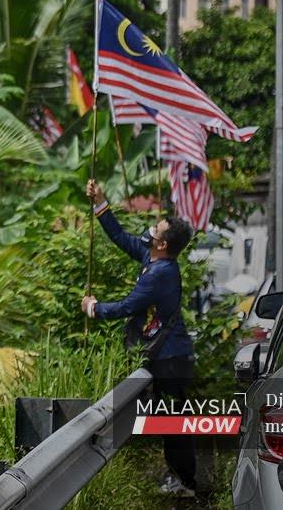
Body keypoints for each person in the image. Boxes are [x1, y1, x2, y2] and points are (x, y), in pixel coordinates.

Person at [83, 179, 198, 498]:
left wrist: (94, 309)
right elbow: (120, 238)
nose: (150, 230)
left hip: (171, 361)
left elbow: (127, 306)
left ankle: (185, 482)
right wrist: (101, 203)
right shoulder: (155, 259)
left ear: (162, 245)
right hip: (168, 358)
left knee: (174, 423)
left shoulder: (161, 273)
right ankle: (178, 476)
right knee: (169, 420)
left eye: (155, 229)